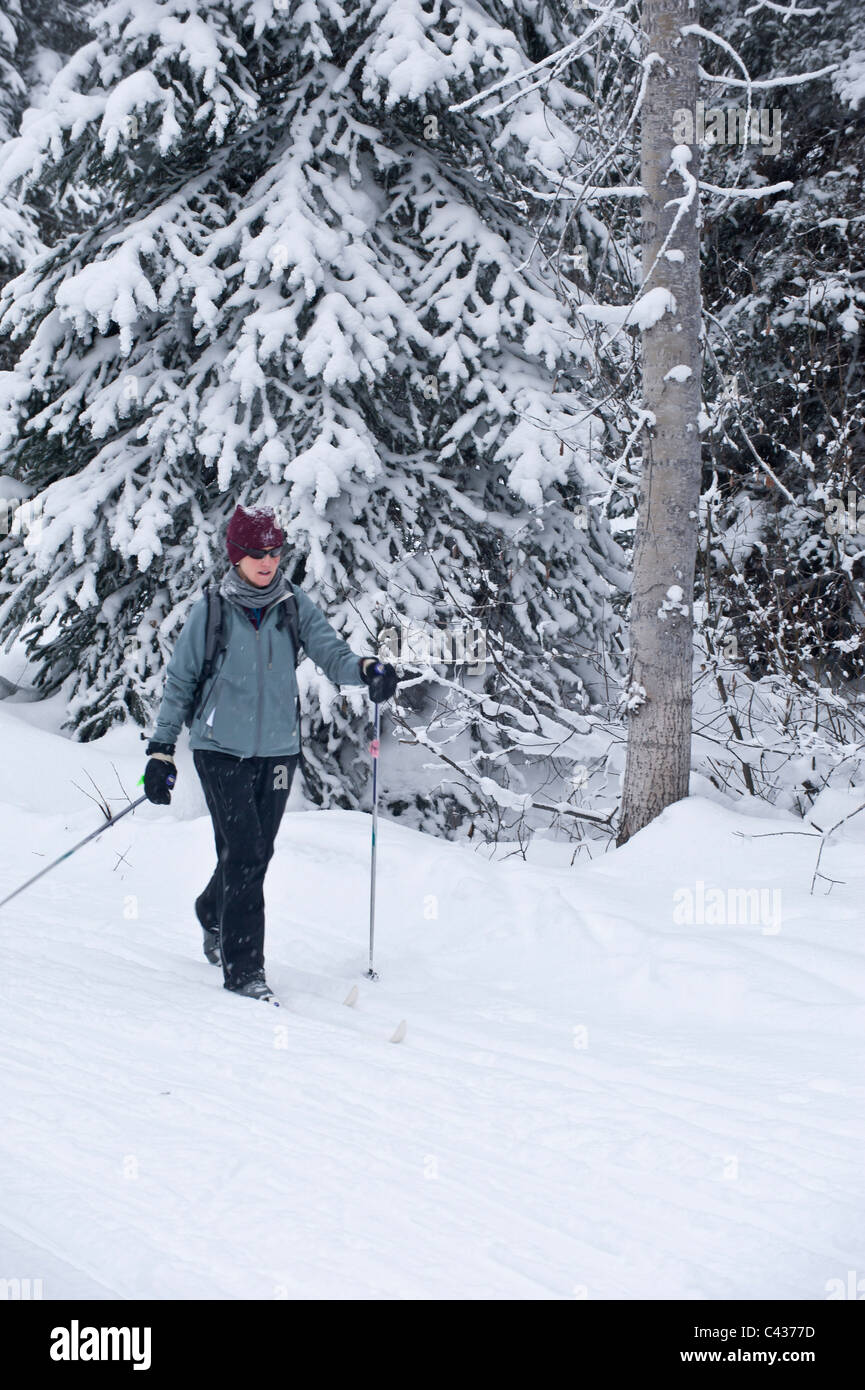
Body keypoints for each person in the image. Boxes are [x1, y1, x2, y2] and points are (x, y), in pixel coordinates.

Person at [142, 504, 398, 1006]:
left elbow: (332, 654)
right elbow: (180, 681)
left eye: (275, 551)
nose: (268, 561)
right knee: (246, 854)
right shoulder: (212, 611)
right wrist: (161, 750)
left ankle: (211, 911)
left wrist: (366, 668)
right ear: (237, 556)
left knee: (254, 854)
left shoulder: (291, 604)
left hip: (278, 753)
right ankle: (244, 971)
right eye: (258, 553)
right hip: (219, 750)